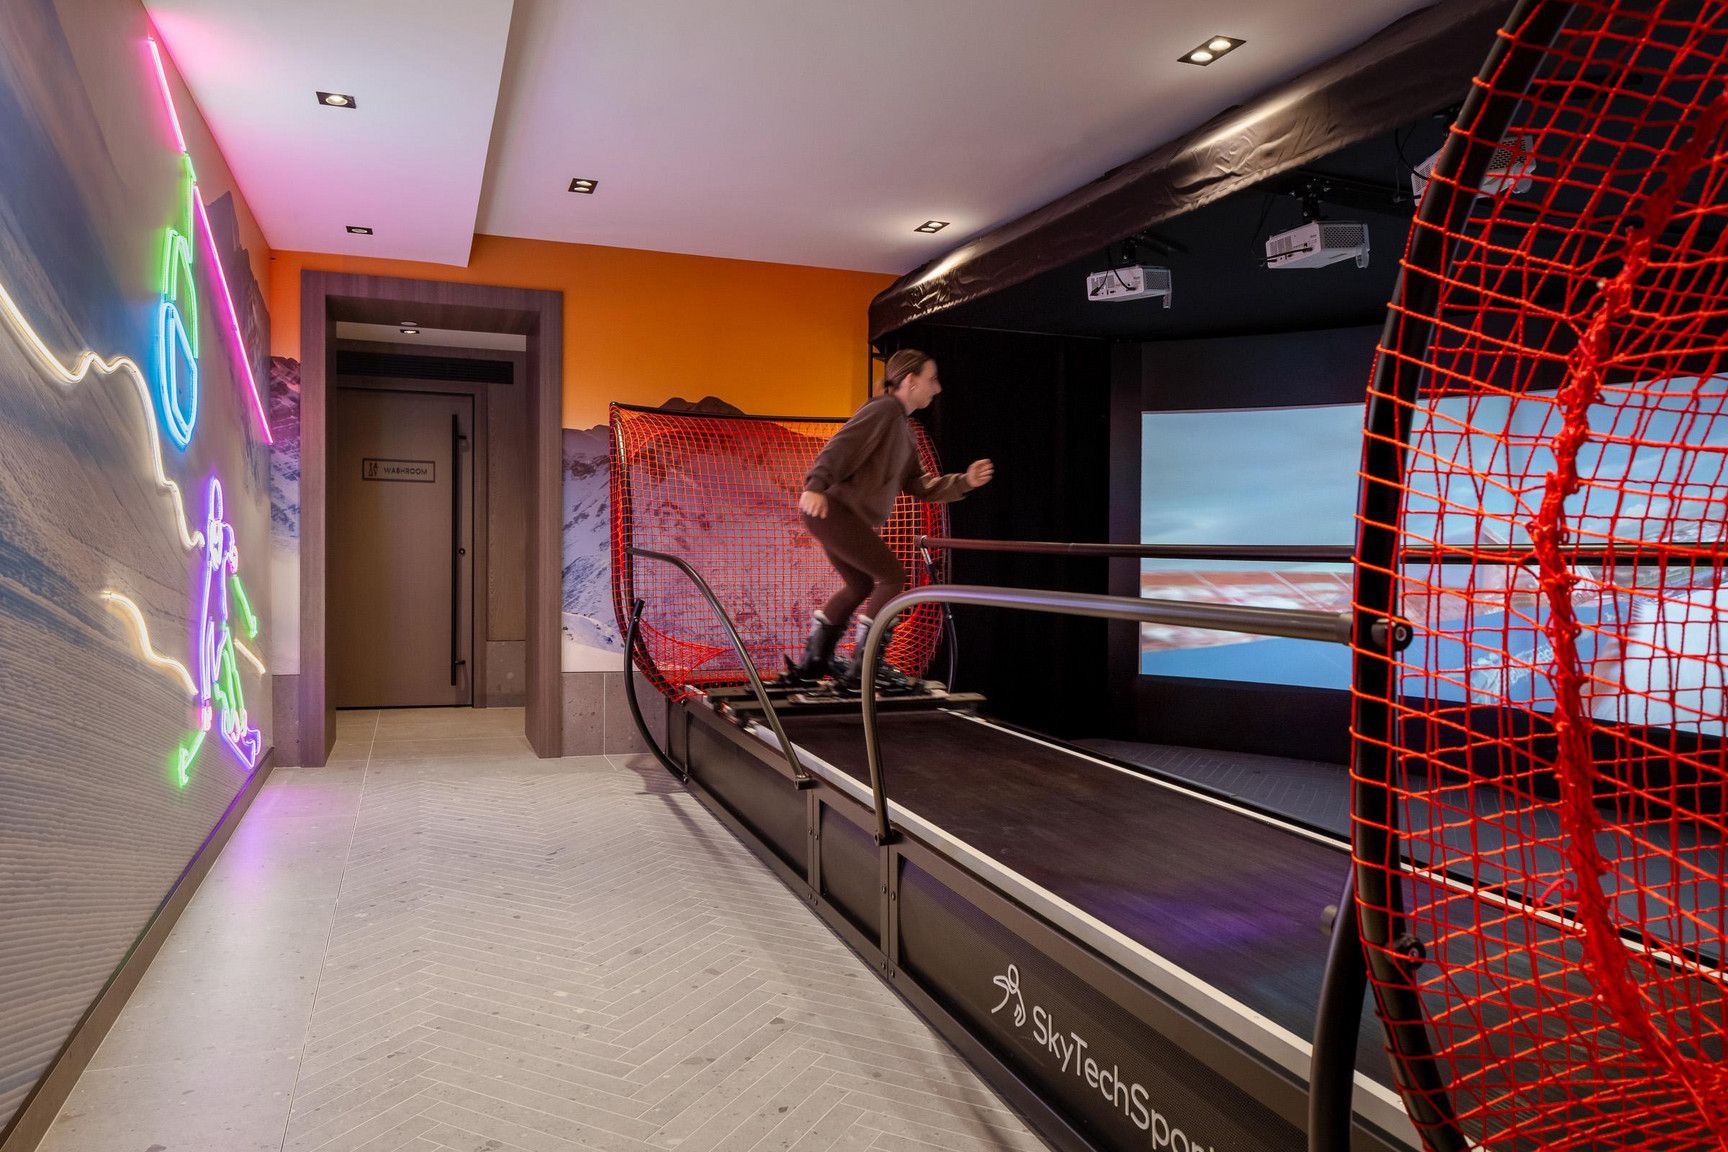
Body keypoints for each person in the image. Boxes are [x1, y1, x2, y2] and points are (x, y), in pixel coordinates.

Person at [793, 349, 994, 687]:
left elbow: (921, 485)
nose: (937, 388)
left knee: (860, 584)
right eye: (932, 380)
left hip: (838, 515)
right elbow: (841, 446)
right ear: (911, 381)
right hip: (831, 510)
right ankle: (866, 665)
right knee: (892, 576)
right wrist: (815, 485)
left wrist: (965, 482)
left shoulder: (904, 429)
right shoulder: (883, 410)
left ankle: (815, 661)